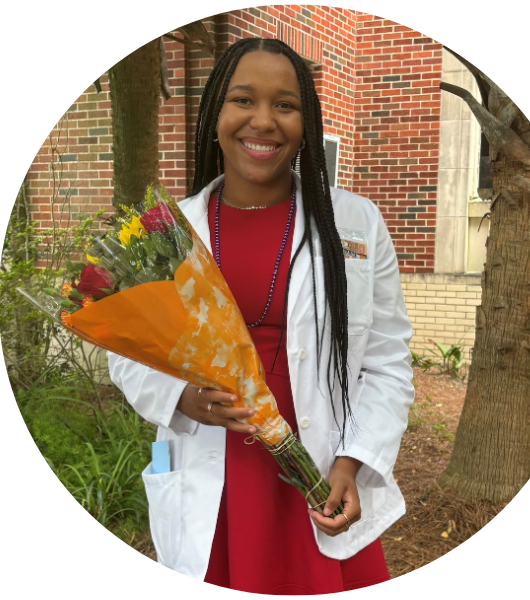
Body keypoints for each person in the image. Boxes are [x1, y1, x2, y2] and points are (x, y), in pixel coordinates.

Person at [108, 37, 414, 594]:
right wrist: (183, 399)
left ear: (306, 121)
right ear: (215, 113)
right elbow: (126, 351)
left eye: (286, 105)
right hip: (214, 464)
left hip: (320, 466)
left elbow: (387, 361)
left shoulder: (357, 223)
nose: (264, 121)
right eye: (243, 100)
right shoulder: (168, 230)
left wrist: (352, 462)